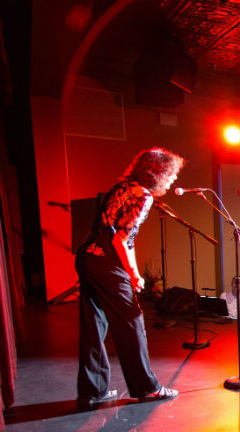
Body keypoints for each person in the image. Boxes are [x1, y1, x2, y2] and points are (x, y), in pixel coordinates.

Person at [76, 147, 184, 407]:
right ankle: (147, 388)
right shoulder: (143, 196)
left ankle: (92, 391)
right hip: (106, 262)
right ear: (157, 173)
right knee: (131, 320)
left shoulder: (122, 187)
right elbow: (121, 240)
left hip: (87, 256)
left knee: (93, 324)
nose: (172, 180)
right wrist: (134, 274)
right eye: (170, 175)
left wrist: (131, 270)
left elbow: (120, 235)